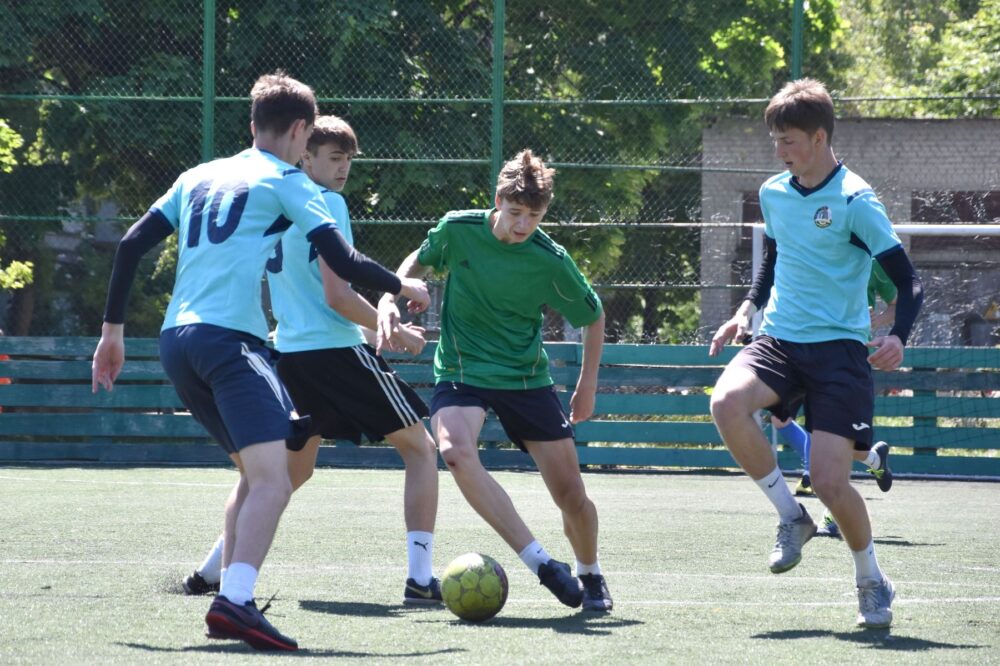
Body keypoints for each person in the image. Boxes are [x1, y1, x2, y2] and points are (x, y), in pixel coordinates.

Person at [91, 73, 429, 651]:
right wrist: (403, 285)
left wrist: (112, 334)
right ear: (300, 130)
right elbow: (344, 261)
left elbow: (129, 245)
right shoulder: (286, 180)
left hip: (177, 342)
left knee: (257, 476)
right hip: (232, 344)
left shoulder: (198, 175)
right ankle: (236, 602)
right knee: (274, 480)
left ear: (252, 123)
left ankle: (226, 588)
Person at [180, 115, 442, 605]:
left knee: (282, 475)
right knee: (422, 450)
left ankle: (210, 572)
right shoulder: (327, 204)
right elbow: (336, 297)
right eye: (334, 158)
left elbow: (313, 298)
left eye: (348, 160)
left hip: (289, 357)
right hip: (334, 353)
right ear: (306, 156)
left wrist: (376, 328)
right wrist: (396, 332)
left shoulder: (274, 203)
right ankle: (421, 580)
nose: (343, 169)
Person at [708, 79, 923, 629]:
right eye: (776, 141)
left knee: (830, 482)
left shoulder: (856, 200)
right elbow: (775, 255)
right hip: (780, 340)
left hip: (839, 353)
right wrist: (747, 308)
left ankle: (871, 580)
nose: (780, 151)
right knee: (726, 403)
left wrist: (899, 335)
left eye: (789, 141)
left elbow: (907, 280)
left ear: (820, 137)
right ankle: (792, 517)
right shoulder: (774, 192)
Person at [377, 149, 613, 612]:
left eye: (535, 216)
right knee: (454, 451)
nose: (524, 225)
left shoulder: (550, 260)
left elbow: (594, 316)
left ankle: (589, 571)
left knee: (571, 496)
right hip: (462, 372)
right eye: (516, 212)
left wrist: (587, 386)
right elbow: (416, 262)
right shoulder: (458, 230)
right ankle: (543, 564)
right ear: (498, 200)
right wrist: (391, 297)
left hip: (525, 378)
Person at [776, 258, 897, 500]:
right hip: (803, 349)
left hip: (846, 357)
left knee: (827, 429)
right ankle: (873, 460)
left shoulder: (872, 260)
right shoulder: (812, 254)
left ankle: (812, 478)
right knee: (780, 418)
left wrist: (879, 320)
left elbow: (898, 303)